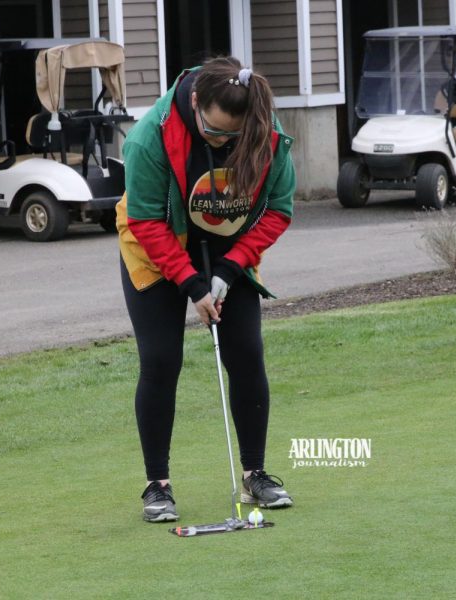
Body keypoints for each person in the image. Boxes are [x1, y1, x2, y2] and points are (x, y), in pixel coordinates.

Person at [116, 56, 296, 523]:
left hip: (227, 246)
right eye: (212, 132)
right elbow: (146, 220)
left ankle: (256, 474)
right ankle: (158, 485)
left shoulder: (266, 130)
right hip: (158, 243)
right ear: (195, 101)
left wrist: (232, 268)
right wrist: (193, 283)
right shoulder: (148, 138)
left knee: (246, 354)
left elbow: (278, 208)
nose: (220, 142)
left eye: (231, 137)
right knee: (160, 360)